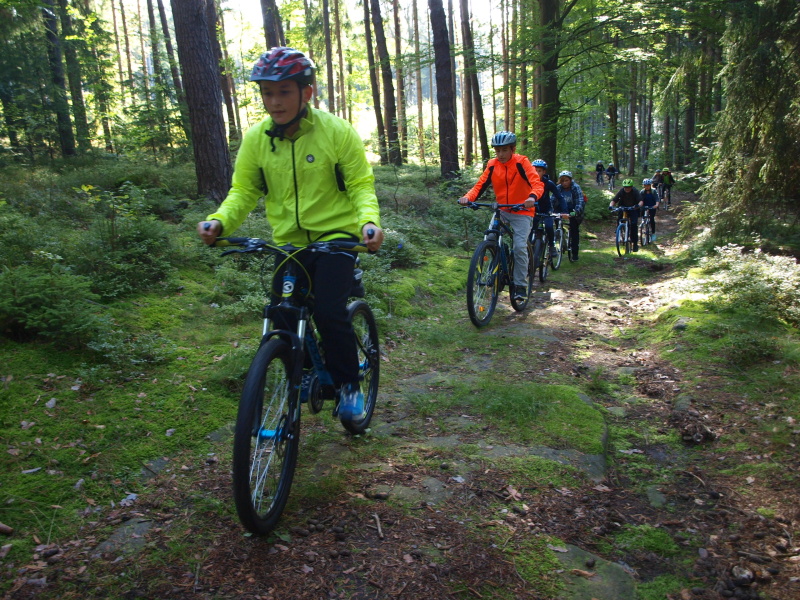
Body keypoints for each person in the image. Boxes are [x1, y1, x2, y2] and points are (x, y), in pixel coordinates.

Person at [197, 47, 384, 422]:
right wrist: (219, 222)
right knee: (282, 314)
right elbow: (243, 191)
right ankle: (305, 370)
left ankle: (349, 385)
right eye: (267, 92)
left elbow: (360, 185)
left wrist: (369, 223)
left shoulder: (337, 132)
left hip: (336, 238)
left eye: (284, 91)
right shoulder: (257, 139)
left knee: (329, 311)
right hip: (288, 243)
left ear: (306, 92)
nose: (274, 101)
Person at [458, 131, 544, 302]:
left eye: (504, 150)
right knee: (490, 237)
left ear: (512, 149)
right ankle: (499, 259)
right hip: (502, 209)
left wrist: (532, 197)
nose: (501, 154)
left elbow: (537, 183)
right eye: (497, 151)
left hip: (522, 211)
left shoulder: (522, 162)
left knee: (519, 247)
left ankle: (520, 286)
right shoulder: (492, 165)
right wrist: (468, 198)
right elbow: (480, 185)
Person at [531, 159, 567, 257]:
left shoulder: (548, 183)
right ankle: (528, 248)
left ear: (544, 172)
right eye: (535, 170)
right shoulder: (528, 182)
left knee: (549, 226)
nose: (537, 173)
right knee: (530, 228)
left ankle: (551, 246)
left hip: (546, 210)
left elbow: (560, 197)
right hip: (533, 210)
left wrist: (565, 211)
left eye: (539, 171)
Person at [556, 170, 585, 261]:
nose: (564, 183)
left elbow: (580, 201)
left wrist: (575, 213)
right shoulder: (558, 188)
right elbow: (552, 199)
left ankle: (575, 253)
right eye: (562, 181)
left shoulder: (575, 187)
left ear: (570, 180)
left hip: (573, 210)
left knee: (574, 229)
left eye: (566, 180)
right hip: (561, 209)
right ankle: (559, 234)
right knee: (555, 219)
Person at [609, 178, 642, 252]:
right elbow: (614, 200)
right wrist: (611, 206)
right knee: (619, 219)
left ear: (631, 187)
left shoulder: (635, 191)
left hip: (633, 208)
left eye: (628, 187)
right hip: (623, 207)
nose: (627, 189)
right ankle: (619, 229)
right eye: (625, 187)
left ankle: (635, 243)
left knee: (634, 225)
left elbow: (641, 201)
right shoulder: (621, 191)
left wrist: (638, 205)